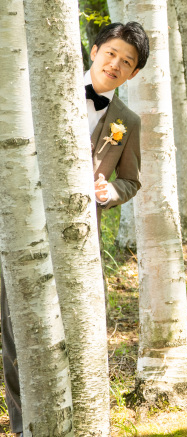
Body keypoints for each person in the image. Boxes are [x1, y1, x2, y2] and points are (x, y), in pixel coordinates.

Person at [1, 22, 148, 434]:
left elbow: (131, 180)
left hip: (81, 238)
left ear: (134, 73)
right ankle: (22, 425)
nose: (115, 64)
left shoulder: (127, 121)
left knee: (83, 326)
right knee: (19, 332)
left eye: (127, 62)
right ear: (95, 49)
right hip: (24, 226)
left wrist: (109, 191)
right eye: (111, 53)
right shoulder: (48, 87)